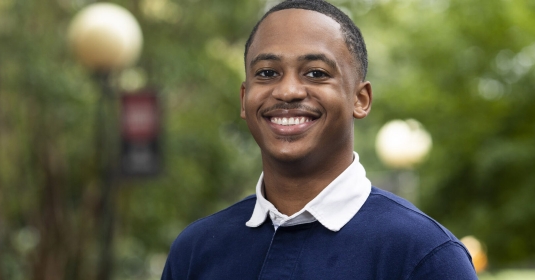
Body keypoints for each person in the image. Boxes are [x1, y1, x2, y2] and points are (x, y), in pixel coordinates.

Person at [161, 0, 478, 279]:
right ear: (244, 99)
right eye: (268, 73)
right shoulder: (195, 250)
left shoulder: (424, 255)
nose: (287, 91)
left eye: (315, 73)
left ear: (360, 99)